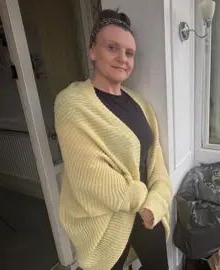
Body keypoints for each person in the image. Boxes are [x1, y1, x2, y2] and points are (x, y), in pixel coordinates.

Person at [54, 9, 172, 270]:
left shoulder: (140, 104)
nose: (122, 59)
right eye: (112, 48)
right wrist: (144, 197)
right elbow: (90, 176)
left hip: (146, 212)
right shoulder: (72, 103)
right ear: (93, 51)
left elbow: (155, 160)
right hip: (105, 222)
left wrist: (157, 200)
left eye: (129, 53)